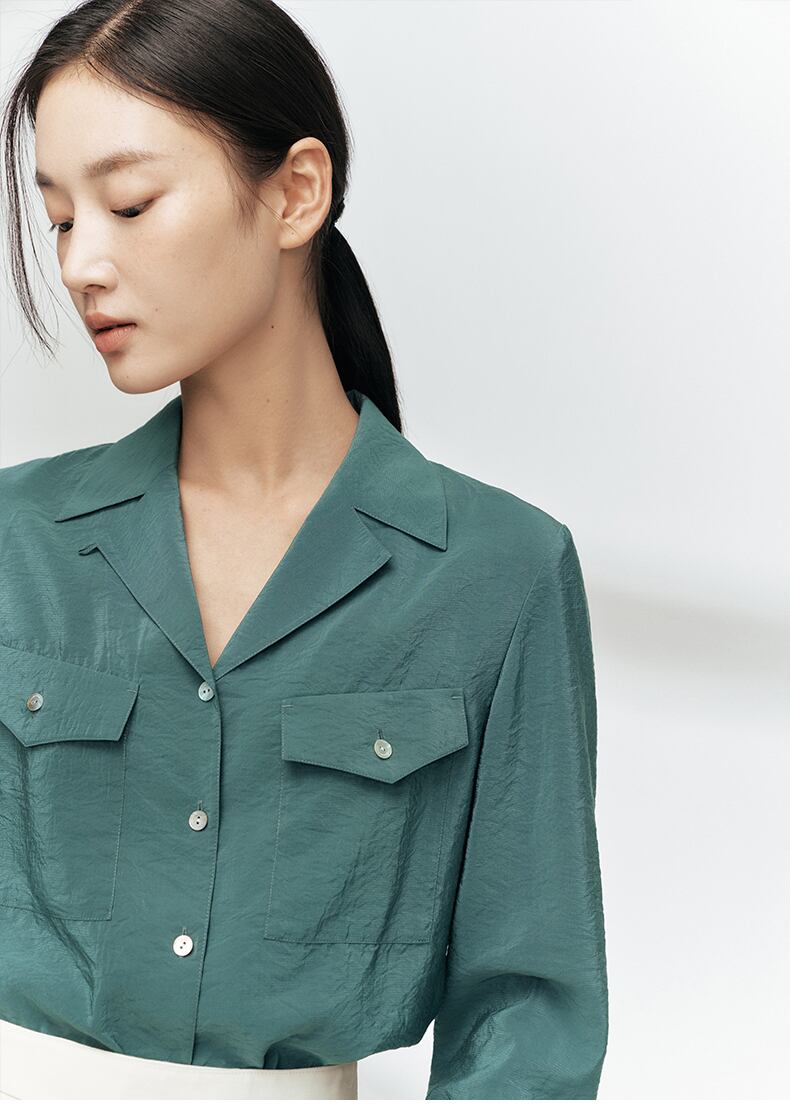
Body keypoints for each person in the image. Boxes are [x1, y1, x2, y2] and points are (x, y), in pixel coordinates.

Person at [0, 0, 609, 1100]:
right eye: (57, 219)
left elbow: (525, 1025)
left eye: (129, 204)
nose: (81, 263)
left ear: (295, 193)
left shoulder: (499, 573)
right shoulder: (14, 543)